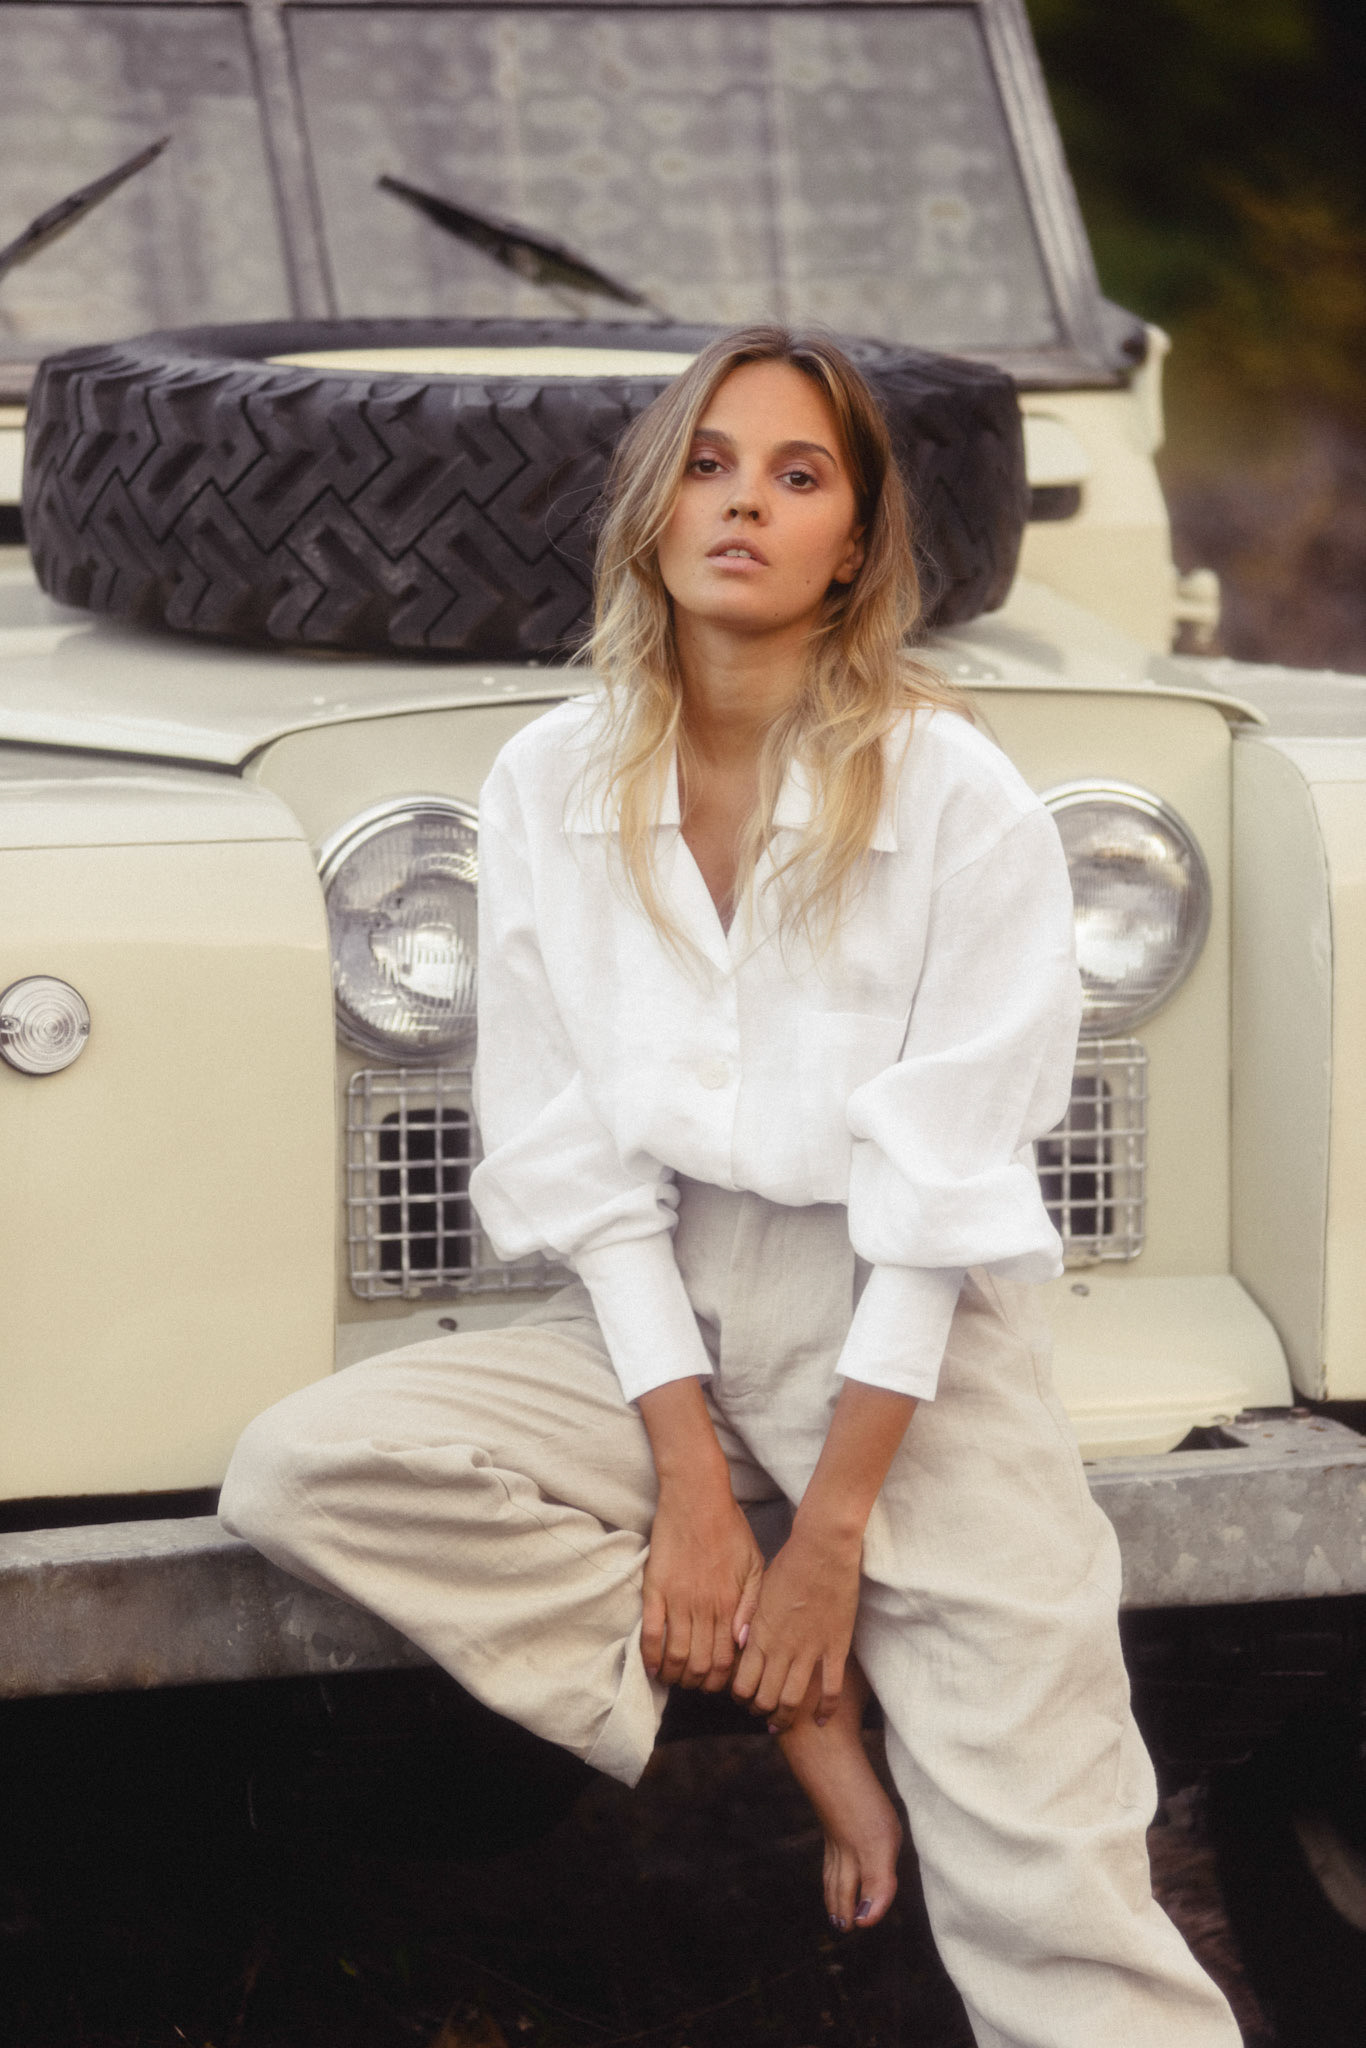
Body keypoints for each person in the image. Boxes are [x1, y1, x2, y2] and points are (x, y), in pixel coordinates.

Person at [220, 327, 1240, 2047]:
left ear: (853, 544)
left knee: (1056, 1906)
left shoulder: (954, 793)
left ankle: (818, 1638)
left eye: (796, 474)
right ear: (651, 511)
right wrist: (698, 1488)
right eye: (707, 465)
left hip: (906, 1344)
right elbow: (579, 1156)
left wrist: (830, 1531)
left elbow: (939, 1193)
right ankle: (799, 1707)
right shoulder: (550, 779)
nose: (743, 504)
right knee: (309, 1466)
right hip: (659, 1319)